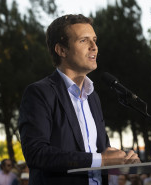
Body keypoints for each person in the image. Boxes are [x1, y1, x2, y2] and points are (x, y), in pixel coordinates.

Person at [18, 14, 140, 185]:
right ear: (61, 50)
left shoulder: (93, 97)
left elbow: (101, 152)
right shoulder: (39, 93)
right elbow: (36, 154)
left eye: (95, 40)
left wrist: (122, 159)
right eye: (84, 40)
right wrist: (102, 160)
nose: (94, 47)